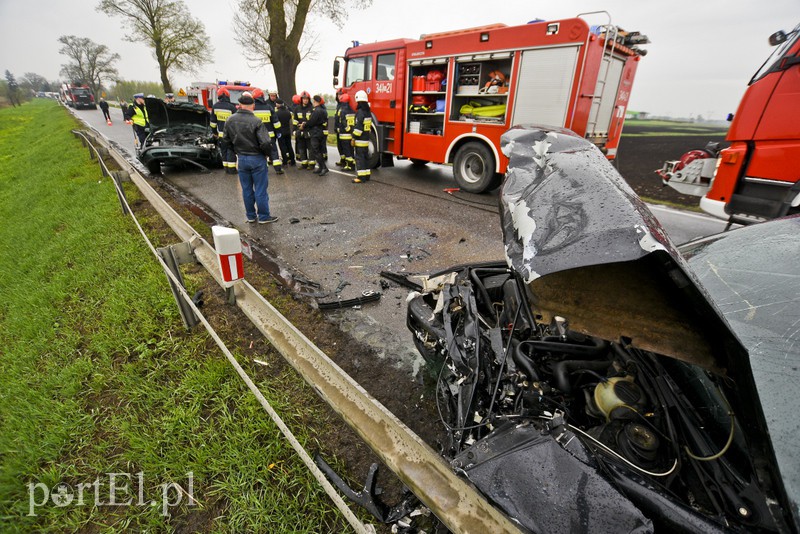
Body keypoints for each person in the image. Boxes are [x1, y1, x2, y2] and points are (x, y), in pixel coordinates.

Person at [219, 93, 278, 224]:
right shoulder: (256, 121)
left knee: (246, 189)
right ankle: (263, 216)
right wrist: (267, 154)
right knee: (260, 189)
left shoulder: (230, 120)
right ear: (253, 105)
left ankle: (251, 216)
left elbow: (225, 141)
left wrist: (236, 151)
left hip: (242, 158)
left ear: (240, 105)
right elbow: (265, 142)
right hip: (257, 158)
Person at [252, 88, 283, 174]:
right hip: (270, 135)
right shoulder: (268, 107)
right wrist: (278, 131)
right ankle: (278, 169)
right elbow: (275, 121)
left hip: (257, 136)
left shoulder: (252, 108)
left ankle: (263, 168)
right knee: (273, 151)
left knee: (260, 152)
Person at [211, 87, 238, 174]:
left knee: (224, 151)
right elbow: (236, 122)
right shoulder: (232, 107)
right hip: (230, 135)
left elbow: (213, 123)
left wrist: (215, 133)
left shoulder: (215, 107)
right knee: (231, 151)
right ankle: (232, 169)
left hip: (221, 135)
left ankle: (226, 168)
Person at [304, 95, 329, 176]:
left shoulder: (316, 111)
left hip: (315, 132)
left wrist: (304, 125)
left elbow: (312, 121)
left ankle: (324, 167)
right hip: (320, 131)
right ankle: (321, 167)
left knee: (316, 150)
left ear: (315, 101)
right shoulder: (323, 110)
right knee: (320, 150)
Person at [352, 90, 373, 183]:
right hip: (366, 139)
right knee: (365, 158)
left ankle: (361, 177)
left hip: (360, 140)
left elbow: (358, 128)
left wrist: (353, 137)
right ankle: (367, 175)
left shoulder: (360, 112)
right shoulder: (368, 112)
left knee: (360, 158)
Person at [293, 91, 314, 169]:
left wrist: (305, 125)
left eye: (307, 99)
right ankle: (304, 163)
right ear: (301, 99)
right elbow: (295, 121)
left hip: (309, 131)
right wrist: (294, 130)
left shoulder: (312, 109)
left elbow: (313, 121)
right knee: (301, 148)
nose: (305, 100)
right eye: (304, 99)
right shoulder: (297, 109)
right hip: (300, 131)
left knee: (311, 148)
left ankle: (311, 164)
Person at [335, 92, 355, 170]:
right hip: (350, 134)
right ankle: (352, 163)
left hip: (344, 134)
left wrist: (346, 129)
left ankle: (349, 165)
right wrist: (350, 130)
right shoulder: (351, 110)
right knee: (351, 149)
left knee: (346, 149)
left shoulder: (342, 110)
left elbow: (343, 121)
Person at [274, 99, 295, 166]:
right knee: (289, 146)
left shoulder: (277, 113)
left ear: (278, 104)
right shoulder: (288, 112)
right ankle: (292, 160)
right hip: (288, 131)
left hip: (280, 132)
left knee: (282, 147)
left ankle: (285, 161)